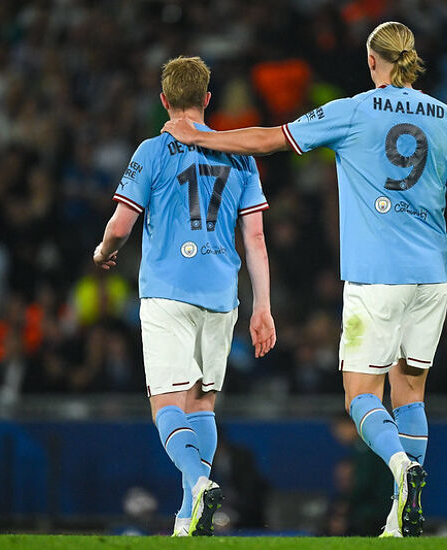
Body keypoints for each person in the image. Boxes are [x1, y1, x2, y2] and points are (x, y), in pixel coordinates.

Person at [162, 22, 447, 537]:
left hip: (374, 281)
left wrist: (202, 136)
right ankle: (402, 515)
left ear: (371, 61)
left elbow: (270, 139)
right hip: (432, 280)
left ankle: (403, 469)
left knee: (360, 395)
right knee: (411, 395)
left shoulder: (353, 110)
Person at [93, 56, 276, 537]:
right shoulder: (240, 153)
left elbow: (120, 225)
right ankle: (185, 516)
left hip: (167, 294)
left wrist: (103, 251)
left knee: (167, 405)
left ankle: (199, 483)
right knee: (202, 406)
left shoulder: (152, 151)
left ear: (164, 101)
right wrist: (263, 307)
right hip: (222, 296)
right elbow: (254, 239)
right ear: (208, 100)